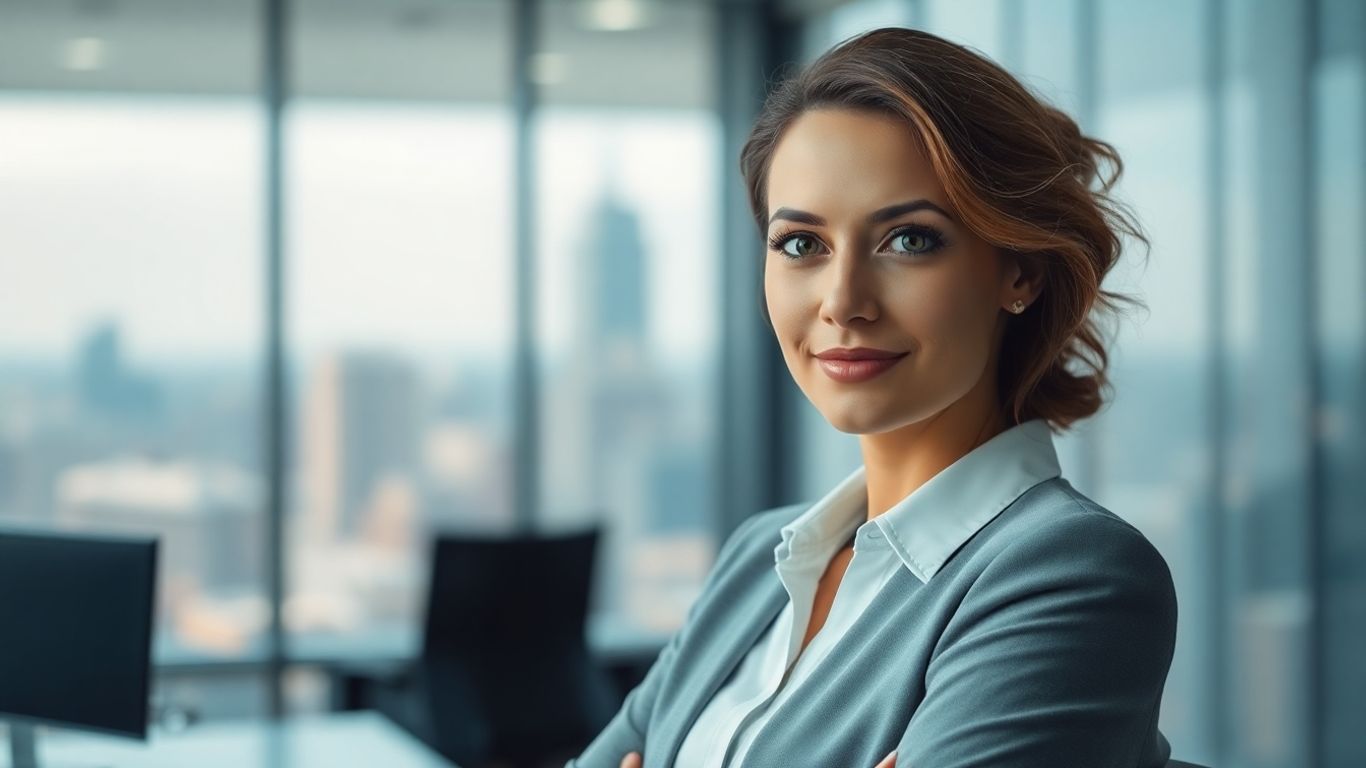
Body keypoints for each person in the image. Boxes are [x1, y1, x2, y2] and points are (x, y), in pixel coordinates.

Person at [568, 26, 1176, 768]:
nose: (843, 301)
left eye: (909, 240)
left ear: (1020, 271)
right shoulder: (760, 555)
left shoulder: (1071, 574)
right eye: (802, 244)